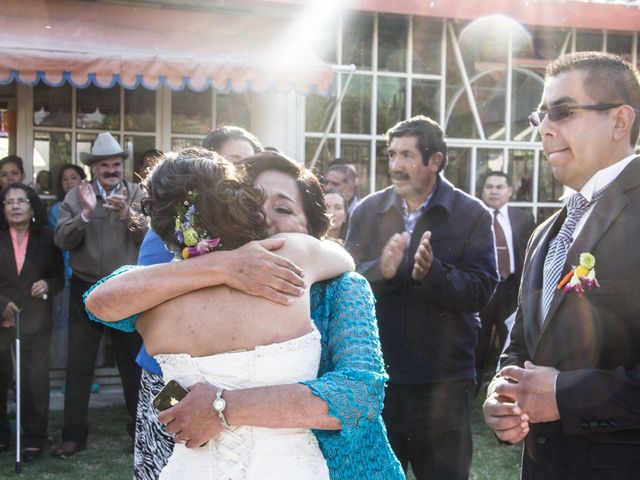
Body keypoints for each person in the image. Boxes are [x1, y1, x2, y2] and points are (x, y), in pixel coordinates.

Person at [85, 151, 404, 480]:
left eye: (282, 209)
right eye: (252, 203)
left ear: (311, 224)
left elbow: (359, 395)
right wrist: (222, 266)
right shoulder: (178, 284)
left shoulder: (342, 287)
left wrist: (220, 407)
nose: (265, 219)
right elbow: (101, 299)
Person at [483, 51, 640, 479]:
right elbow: (521, 343)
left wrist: (563, 396)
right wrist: (504, 394)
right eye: (542, 116)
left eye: (564, 112)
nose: (546, 128)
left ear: (619, 121)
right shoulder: (547, 231)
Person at [345, 115, 498, 480]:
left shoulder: (470, 214)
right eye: (392, 155)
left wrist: (433, 274)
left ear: (435, 161)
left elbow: (481, 289)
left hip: (443, 383)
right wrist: (378, 270)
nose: (396, 166)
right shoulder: (368, 210)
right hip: (380, 381)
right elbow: (342, 283)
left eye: (407, 156)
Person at [52, 132, 148, 458]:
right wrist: (86, 214)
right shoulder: (76, 196)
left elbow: (155, 239)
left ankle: (139, 432)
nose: (111, 169)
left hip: (127, 288)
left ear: (124, 165)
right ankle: (74, 435)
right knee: (78, 365)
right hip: (86, 287)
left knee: (132, 365)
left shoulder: (138, 193)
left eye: (116, 164)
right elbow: (62, 241)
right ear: (94, 168)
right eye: (104, 164)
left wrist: (128, 217)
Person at [0, 183, 64, 460]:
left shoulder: (47, 238)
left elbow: (59, 278)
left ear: (32, 206)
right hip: (1, 317)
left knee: (34, 381)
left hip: (35, 321)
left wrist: (47, 285)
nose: (15, 206)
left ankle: (34, 438)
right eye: (8, 202)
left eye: (21, 201)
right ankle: (2, 436)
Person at [476, 171, 535, 384]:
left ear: (509, 191)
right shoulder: (474, 216)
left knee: (513, 337)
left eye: (499, 187)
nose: (494, 191)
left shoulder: (524, 218)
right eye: (489, 187)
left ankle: (509, 384)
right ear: (482, 191)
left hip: (511, 287)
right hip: (483, 287)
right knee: (479, 338)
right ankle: (473, 385)